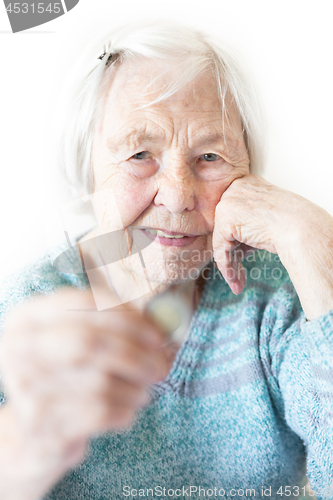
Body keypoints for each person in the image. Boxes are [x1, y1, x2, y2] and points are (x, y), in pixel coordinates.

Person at [0, 20, 332, 500]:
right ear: (83, 169)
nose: (177, 197)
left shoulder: (278, 297)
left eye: (210, 156)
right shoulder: (23, 312)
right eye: (139, 154)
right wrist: (29, 440)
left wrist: (315, 239)